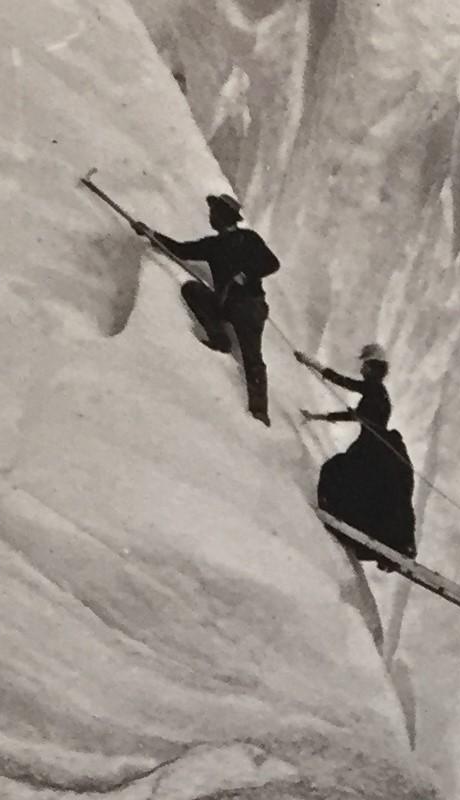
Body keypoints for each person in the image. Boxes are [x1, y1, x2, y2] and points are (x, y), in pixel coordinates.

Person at [132, 194, 279, 426]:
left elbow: (272, 263)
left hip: (250, 306)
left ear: (223, 216)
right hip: (229, 304)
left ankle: (260, 411)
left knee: (253, 356)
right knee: (193, 290)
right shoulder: (213, 245)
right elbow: (181, 250)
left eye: (214, 212)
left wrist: (247, 274)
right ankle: (220, 339)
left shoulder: (248, 238)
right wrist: (151, 234)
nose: (211, 217)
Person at [296, 344, 415, 568]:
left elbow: (344, 384)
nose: (362, 369)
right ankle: (396, 541)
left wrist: (312, 364)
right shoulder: (380, 393)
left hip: (371, 445)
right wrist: (319, 416)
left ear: (371, 367)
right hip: (381, 444)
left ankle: (342, 516)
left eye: (365, 365)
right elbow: (357, 415)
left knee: (339, 472)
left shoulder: (373, 389)